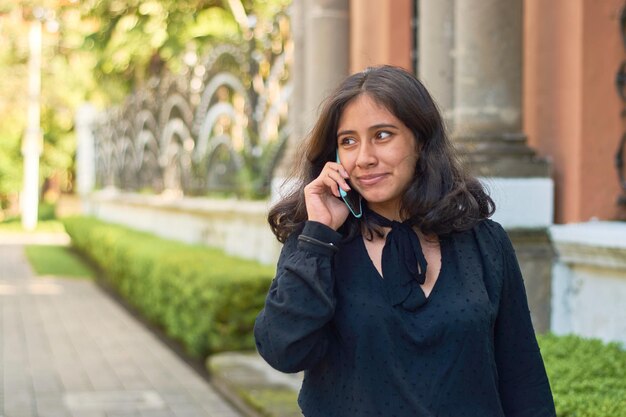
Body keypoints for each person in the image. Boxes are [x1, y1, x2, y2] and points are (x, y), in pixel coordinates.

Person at [254, 65, 556, 417]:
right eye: (348, 141)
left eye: (382, 135)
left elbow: (523, 378)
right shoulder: (318, 244)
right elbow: (283, 350)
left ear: (421, 141)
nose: (364, 158)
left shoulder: (484, 243)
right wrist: (319, 235)